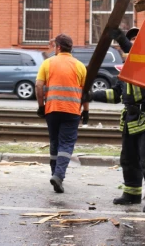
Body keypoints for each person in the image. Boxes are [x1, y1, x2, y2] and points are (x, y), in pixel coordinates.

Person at [83, 27, 145, 213]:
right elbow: (116, 94)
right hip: (131, 120)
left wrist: (120, 38)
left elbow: (137, 53)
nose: (133, 42)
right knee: (128, 160)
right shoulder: (126, 71)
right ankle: (132, 193)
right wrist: (92, 95)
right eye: (131, 39)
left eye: (137, 39)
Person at [36, 33, 88, 193]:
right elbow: (85, 92)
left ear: (58, 47)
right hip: (72, 111)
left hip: (52, 109)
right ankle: (58, 175)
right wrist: (86, 111)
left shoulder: (48, 63)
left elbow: (38, 85)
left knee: (54, 141)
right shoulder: (80, 66)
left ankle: (54, 174)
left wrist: (41, 106)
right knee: (66, 144)